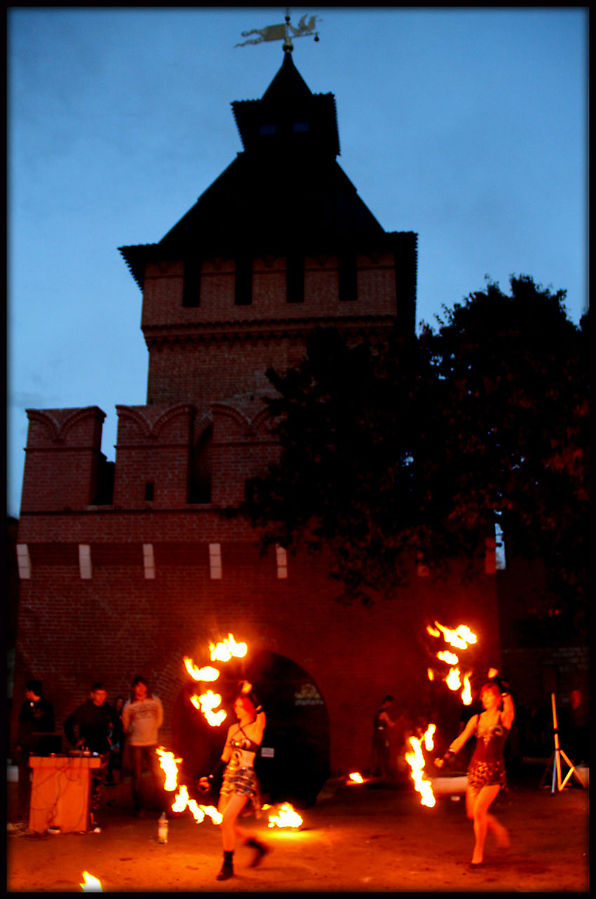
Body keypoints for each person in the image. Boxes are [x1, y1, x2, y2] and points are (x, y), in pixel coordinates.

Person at [435, 678, 515, 867]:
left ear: (498, 698)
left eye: (490, 695)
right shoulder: (476, 719)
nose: (486, 698)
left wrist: (502, 687)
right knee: (473, 813)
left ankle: (478, 852)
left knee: (479, 811)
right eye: (484, 695)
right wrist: (446, 756)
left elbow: (510, 707)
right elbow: (461, 739)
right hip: (475, 769)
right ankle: (497, 827)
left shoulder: (504, 717)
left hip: (493, 772)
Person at [199, 680, 270, 881]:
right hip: (229, 777)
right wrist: (211, 779)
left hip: (245, 778)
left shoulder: (257, 728)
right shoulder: (232, 729)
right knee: (224, 822)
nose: (236, 709)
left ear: (247, 707)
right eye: (235, 706)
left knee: (228, 819)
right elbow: (224, 757)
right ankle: (257, 845)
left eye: (240, 706)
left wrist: (251, 692)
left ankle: (227, 865)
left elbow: (262, 710)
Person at [64, 682, 118, 830]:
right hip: (86, 751)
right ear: (92, 694)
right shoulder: (84, 710)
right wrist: (75, 741)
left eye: (104, 695)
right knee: (83, 782)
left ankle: (93, 814)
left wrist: (112, 741)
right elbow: (68, 724)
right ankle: (80, 812)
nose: (101, 698)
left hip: (102, 751)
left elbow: (119, 726)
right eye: (98, 694)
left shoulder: (108, 711)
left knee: (97, 784)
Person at [12, 680, 55, 828]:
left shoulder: (46, 708)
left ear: (31, 691)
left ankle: (39, 812)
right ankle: (22, 812)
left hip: (40, 749)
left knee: (40, 781)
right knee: (23, 781)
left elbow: (49, 728)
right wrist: (18, 743)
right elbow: (22, 726)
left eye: (27, 691)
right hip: (25, 748)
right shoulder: (25, 706)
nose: (26, 693)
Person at [122, 676, 165, 817]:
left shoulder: (155, 700)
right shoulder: (129, 705)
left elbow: (160, 717)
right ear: (134, 688)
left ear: (146, 687)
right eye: (138, 686)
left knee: (157, 774)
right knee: (137, 776)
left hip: (151, 742)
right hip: (136, 744)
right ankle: (139, 807)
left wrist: (153, 730)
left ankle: (162, 804)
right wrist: (132, 731)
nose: (140, 689)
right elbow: (126, 724)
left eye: (143, 686)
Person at [371, 695, 395, 779]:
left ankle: (378, 772)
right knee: (385, 753)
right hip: (381, 735)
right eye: (390, 703)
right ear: (387, 702)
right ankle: (384, 772)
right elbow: (390, 724)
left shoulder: (379, 711)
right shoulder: (383, 713)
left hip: (377, 734)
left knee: (378, 752)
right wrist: (398, 722)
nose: (390, 705)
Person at [106, 695, 125, 785]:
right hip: (112, 737)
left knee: (118, 758)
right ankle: (109, 777)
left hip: (120, 737)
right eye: (118, 702)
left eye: (121, 703)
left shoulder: (123, 713)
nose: (119, 704)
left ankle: (116, 778)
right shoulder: (112, 713)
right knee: (111, 758)